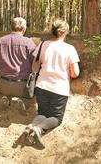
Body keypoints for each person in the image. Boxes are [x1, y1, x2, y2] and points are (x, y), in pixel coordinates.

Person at [24, 19, 80, 148]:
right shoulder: (69, 49)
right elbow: (75, 73)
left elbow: (35, 66)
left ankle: (31, 126)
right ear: (65, 33)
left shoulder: (43, 44)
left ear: (52, 31)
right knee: (56, 118)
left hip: (42, 85)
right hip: (59, 89)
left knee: (42, 113)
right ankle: (39, 130)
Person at [0, 17, 37, 111]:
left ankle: (6, 97)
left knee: (6, 89)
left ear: (10, 27)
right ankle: (24, 101)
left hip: (2, 85)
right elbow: (35, 66)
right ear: (24, 29)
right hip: (23, 87)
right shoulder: (29, 43)